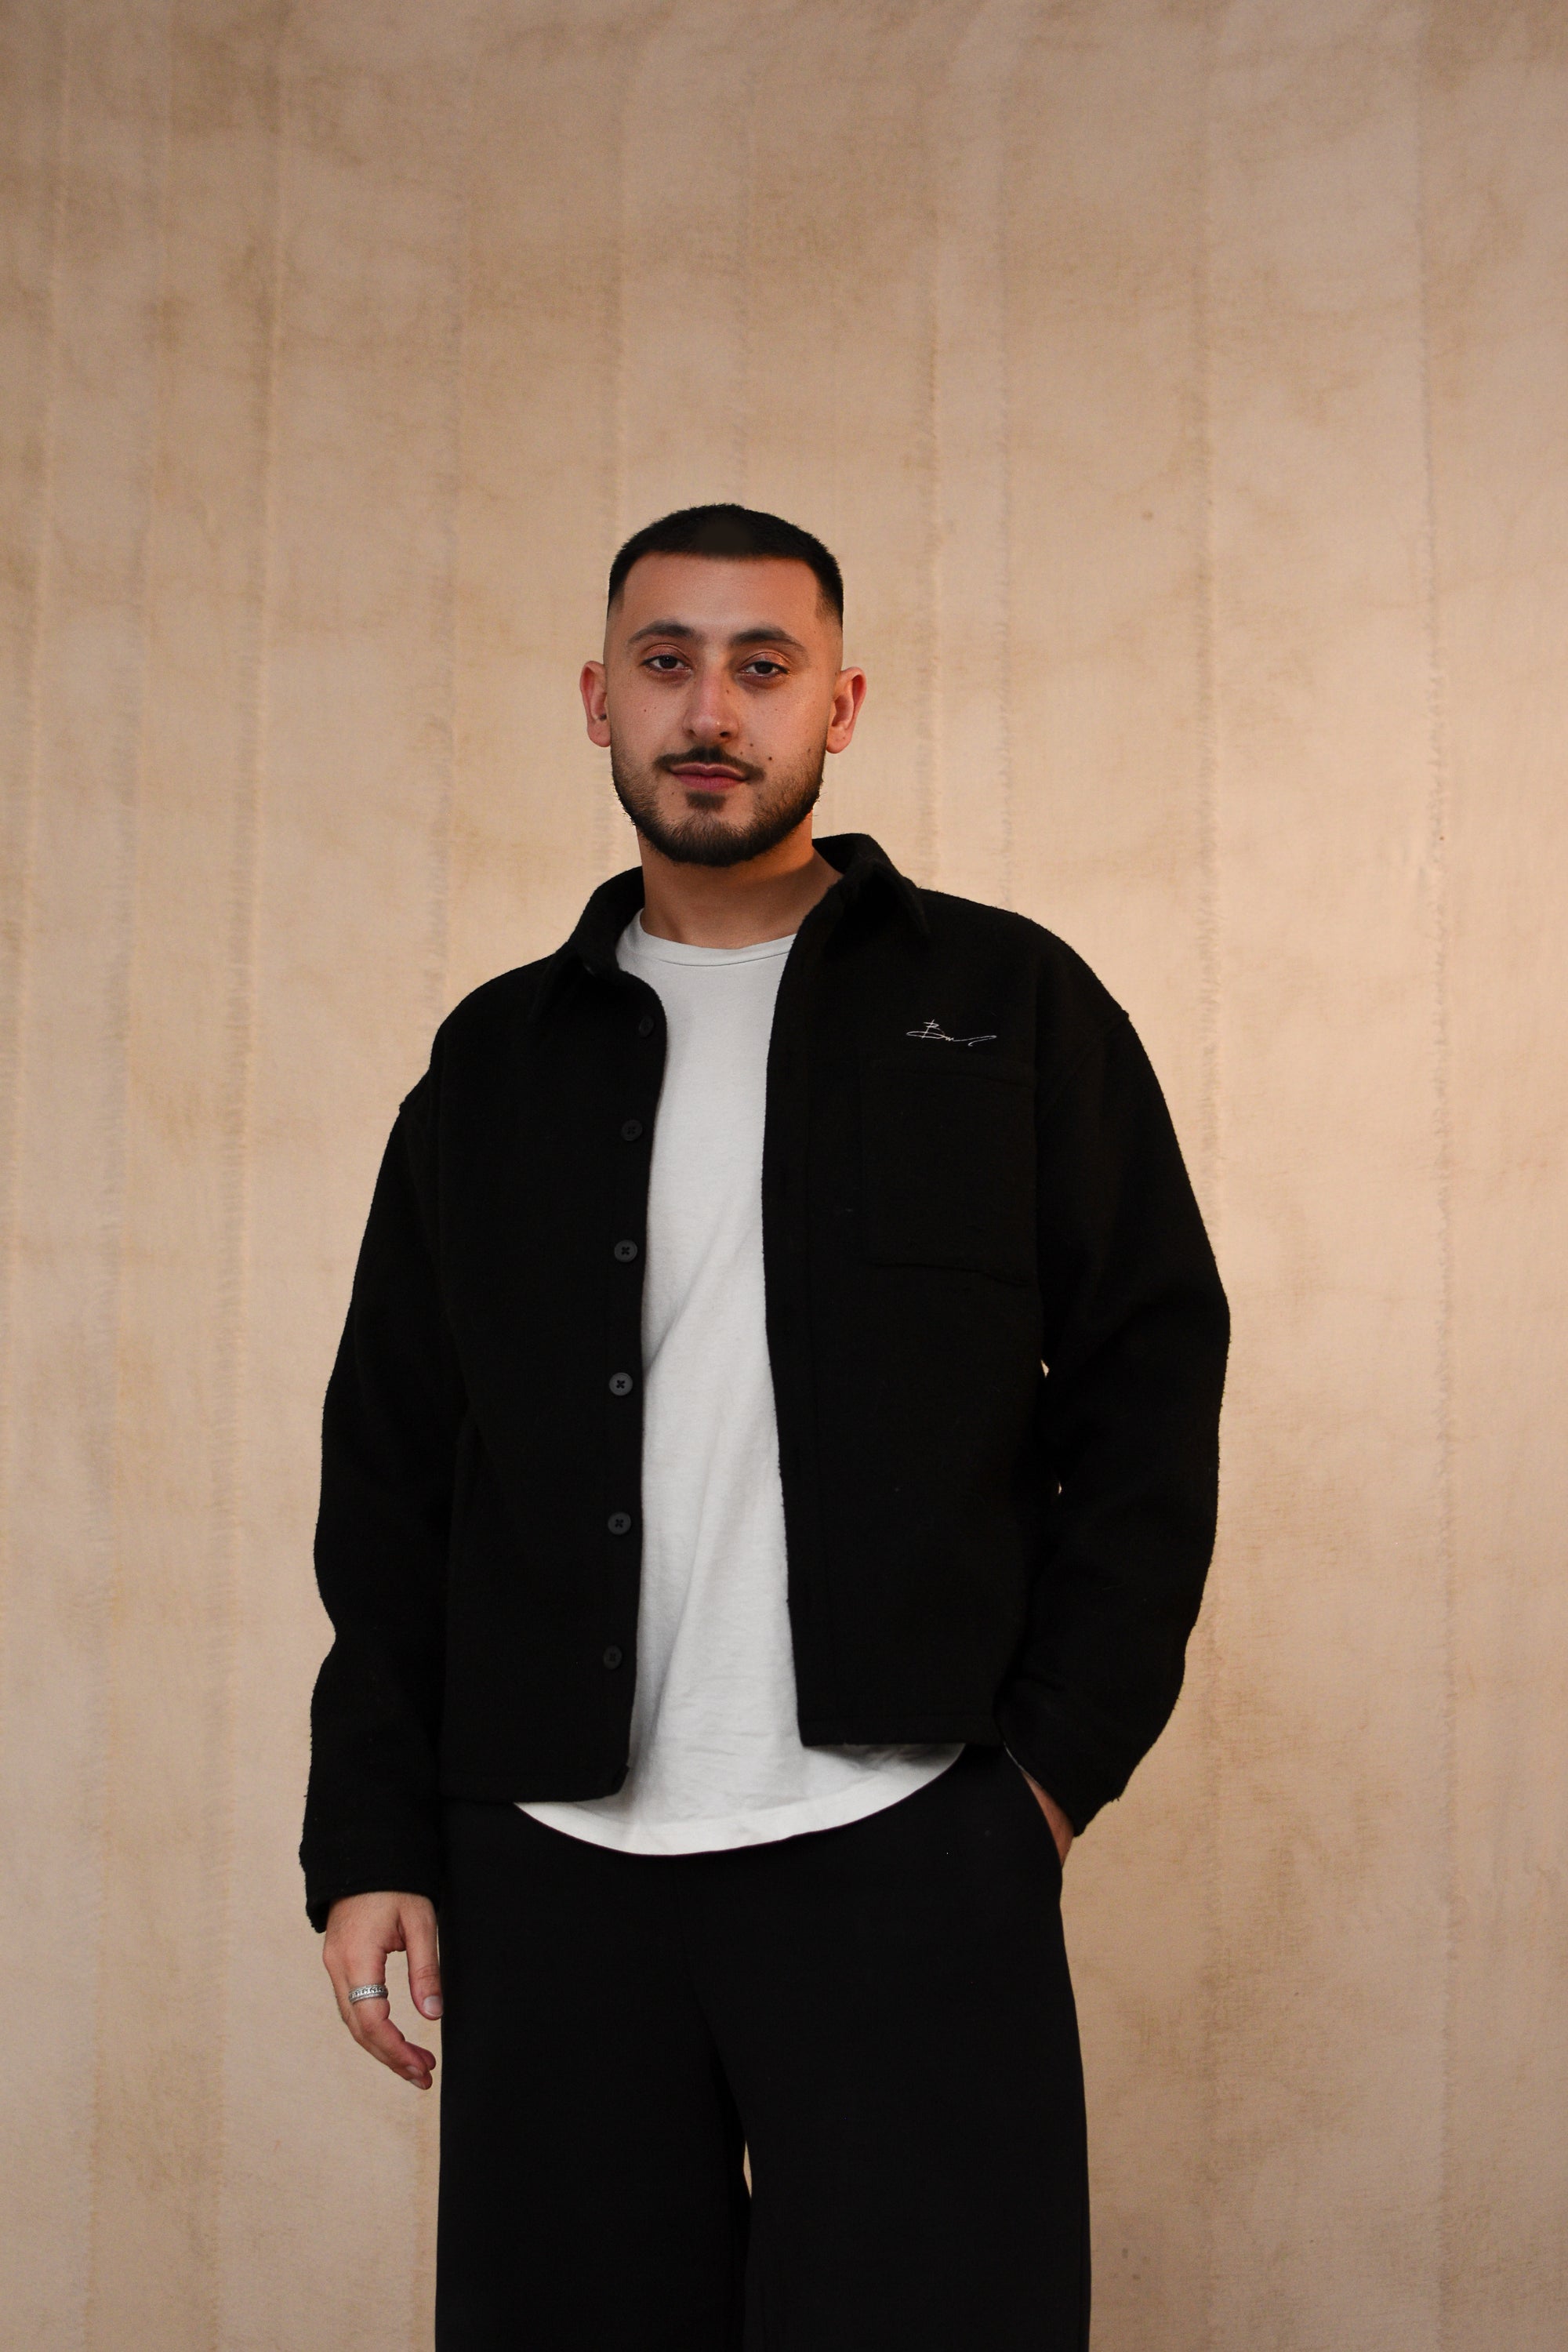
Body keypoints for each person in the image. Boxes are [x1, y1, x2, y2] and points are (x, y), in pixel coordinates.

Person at [300, 503, 1228, 2350]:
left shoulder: (1007, 1006)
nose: (710, 710)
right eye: (666, 663)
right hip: (549, 1869)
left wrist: (1044, 1776)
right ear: (598, 702)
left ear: (839, 705)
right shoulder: (492, 1063)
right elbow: (395, 1467)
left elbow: (1150, 1384)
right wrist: (371, 1832)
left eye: (761, 664)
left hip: (904, 1844)